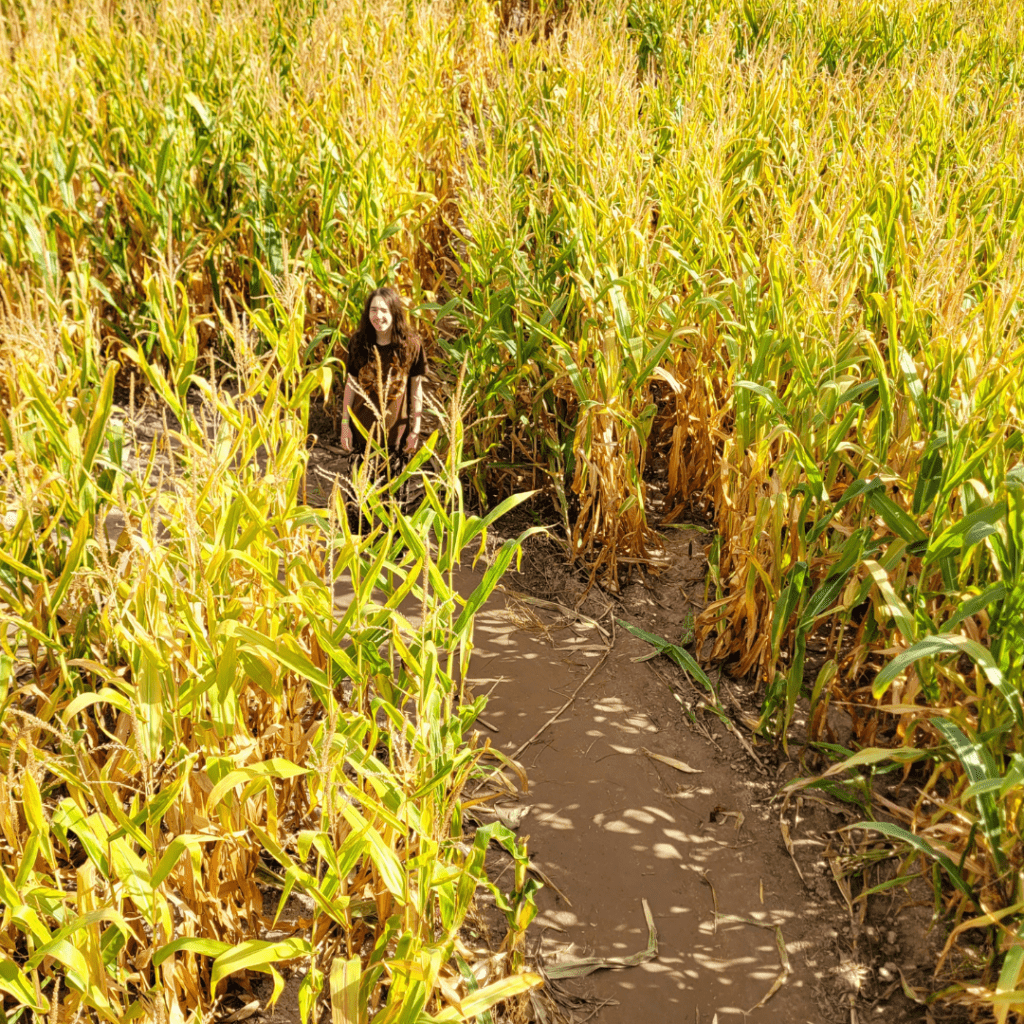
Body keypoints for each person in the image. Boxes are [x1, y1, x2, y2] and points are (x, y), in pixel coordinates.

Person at [339, 287, 426, 459]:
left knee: (395, 478)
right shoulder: (358, 342)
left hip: (396, 439)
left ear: (395, 313)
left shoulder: (411, 345)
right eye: (373, 310)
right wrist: (345, 424)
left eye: (384, 310)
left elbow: (416, 389)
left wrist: (416, 430)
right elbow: (351, 384)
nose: (378, 316)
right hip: (361, 437)